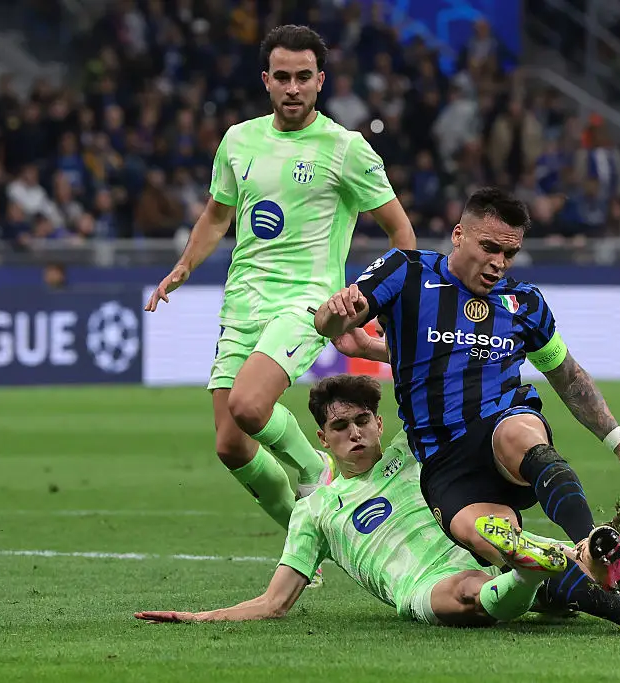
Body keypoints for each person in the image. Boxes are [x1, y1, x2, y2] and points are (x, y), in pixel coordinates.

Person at [142, 24, 417, 575]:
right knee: (230, 444)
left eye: (304, 77)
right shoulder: (238, 141)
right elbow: (216, 215)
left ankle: (315, 468)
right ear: (266, 80)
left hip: (306, 303)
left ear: (321, 81)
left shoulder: (346, 149)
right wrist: (184, 265)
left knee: (250, 407)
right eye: (283, 77)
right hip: (242, 301)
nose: (293, 88)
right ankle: (308, 542)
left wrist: (378, 302)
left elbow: (402, 235)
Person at [314, 187, 620, 594]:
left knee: (521, 432)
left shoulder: (524, 303)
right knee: (519, 568)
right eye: (489, 247)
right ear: (458, 235)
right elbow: (335, 323)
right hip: (445, 462)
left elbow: (568, 377)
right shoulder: (407, 271)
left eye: (509, 253)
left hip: (502, 432)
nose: (499, 263)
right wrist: (335, 315)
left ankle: (591, 546)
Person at [135, 375, 620, 634]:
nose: (354, 433)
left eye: (362, 421)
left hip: (480, 542)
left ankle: (566, 573)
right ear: (323, 438)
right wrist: (199, 617)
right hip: (425, 584)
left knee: (522, 560)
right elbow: (275, 603)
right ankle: (560, 579)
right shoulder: (315, 511)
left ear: (380, 424)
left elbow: (434, 376)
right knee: (468, 593)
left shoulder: (416, 451)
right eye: (340, 427)